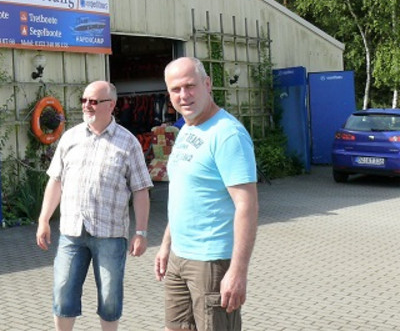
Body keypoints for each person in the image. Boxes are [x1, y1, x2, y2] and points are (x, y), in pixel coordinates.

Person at [36, 80, 152, 331]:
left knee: (110, 299)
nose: (87, 105)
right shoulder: (70, 137)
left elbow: (141, 190)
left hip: (110, 234)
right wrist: (44, 220)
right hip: (72, 233)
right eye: (84, 100)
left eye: (93, 101)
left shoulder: (128, 143)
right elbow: (56, 181)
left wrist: (141, 232)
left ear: (111, 105)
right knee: (63, 294)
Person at [154, 57, 259, 331]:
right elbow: (183, 195)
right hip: (179, 256)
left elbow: (247, 206)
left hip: (211, 261)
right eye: (176, 89)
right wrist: (166, 245)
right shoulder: (187, 129)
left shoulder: (227, 134)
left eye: (190, 86)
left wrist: (238, 271)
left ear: (207, 84)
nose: (184, 95)